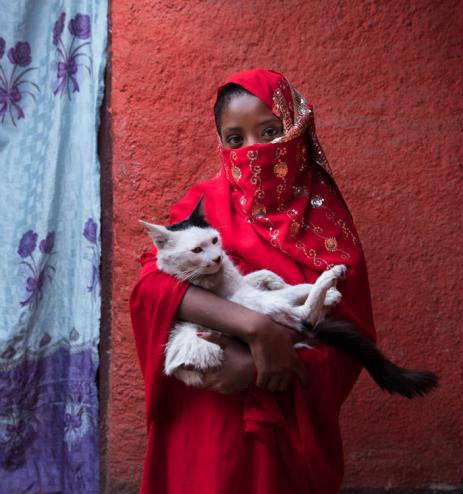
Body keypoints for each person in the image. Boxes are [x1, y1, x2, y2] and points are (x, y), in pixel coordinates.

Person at [130, 68, 378, 493]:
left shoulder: (329, 226)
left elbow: (351, 337)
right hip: (205, 424)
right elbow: (152, 287)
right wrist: (255, 328)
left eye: (270, 131)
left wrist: (266, 363)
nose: (254, 150)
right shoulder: (204, 204)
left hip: (280, 435)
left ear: (298, 129)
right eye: (236, 139)